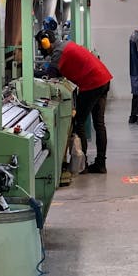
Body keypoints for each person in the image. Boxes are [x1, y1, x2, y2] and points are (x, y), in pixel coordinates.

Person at [38, 32, 112, 174]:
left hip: (92, 84)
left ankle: (81, 166)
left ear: (45, 43)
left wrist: (31, 74)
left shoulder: (58, 52)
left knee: (79, 123)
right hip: (103, 79)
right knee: (99, 123)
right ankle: (100, 164)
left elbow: (50, 76)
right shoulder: (65, 45)